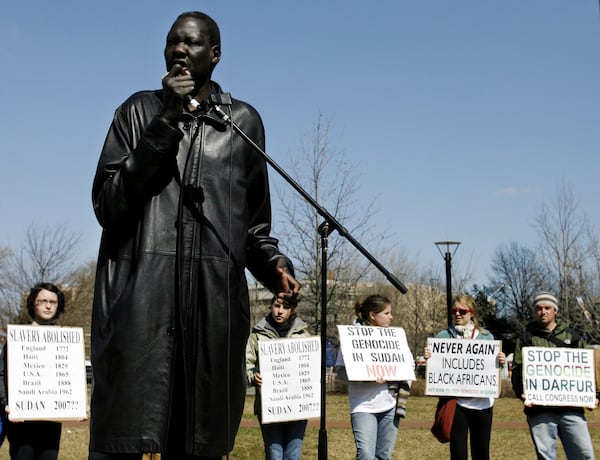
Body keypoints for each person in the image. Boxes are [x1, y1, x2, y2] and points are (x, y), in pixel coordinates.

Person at [89, 11, 300, 460]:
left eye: (191, 43)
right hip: (141, 311)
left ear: (216, 55)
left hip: (211, 317)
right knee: (123, 443)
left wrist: (273, 264)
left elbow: (254, 228)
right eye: (172, 43)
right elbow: (109, 205)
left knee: (197, 445)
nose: (179, 50)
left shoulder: (243, 123)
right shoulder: (137, 111)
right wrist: (164, 123)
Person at [511, 292, 596, 460]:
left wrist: (593, 395)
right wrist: (522, 393)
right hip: (539, 410)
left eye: (547, 308)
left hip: (571, 409)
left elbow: (587, 369)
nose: (543, 312)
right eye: (539, 308)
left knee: (584, 454)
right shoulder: (526, 338)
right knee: (546, 456)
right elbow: (517, 370)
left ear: (555, 310)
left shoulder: (572, 337)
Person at [424, 294, 505, 460]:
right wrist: (429, 357)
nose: (457, 314)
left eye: (462, 311)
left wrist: (500, 361)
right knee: (458, 452)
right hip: (457, 404)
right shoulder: (443, 337)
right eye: (454, 311)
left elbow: (490, 366)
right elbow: (437, 366)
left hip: (482, 404)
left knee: (481, 452)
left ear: (472, 313)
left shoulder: (486, 337)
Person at [335, 294, 409, 460]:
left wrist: (394, 377)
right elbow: (340, 371)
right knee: (366, 455)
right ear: (373, 315)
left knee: (384, 455)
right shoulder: (352, 337)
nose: (391, 317)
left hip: (390, 406)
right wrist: (364, 376)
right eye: (387, 313)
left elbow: (407, 365)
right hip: (362, 406)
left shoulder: (394, 338)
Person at [0, 282, 66, 460]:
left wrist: (79, 403)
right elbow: (1, 374)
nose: (48, 305)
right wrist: (7, 403)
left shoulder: (66, 340)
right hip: (21, 421)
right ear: (32, 303)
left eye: (53, 301)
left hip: (51, 421)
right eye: (43, 300)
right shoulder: (16, 338)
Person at [246, 297, 311, 460]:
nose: (280, 310)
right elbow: (247, 363)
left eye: (285, 307)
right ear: (271, 306)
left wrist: (317, 377)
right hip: (269, 406)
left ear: (292, 310)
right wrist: (253, 376)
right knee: (274, 455)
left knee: (293, 455)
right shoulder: (257, 333)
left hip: (298, 407)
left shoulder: (304, 334)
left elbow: (312, 364)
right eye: (277, 306)